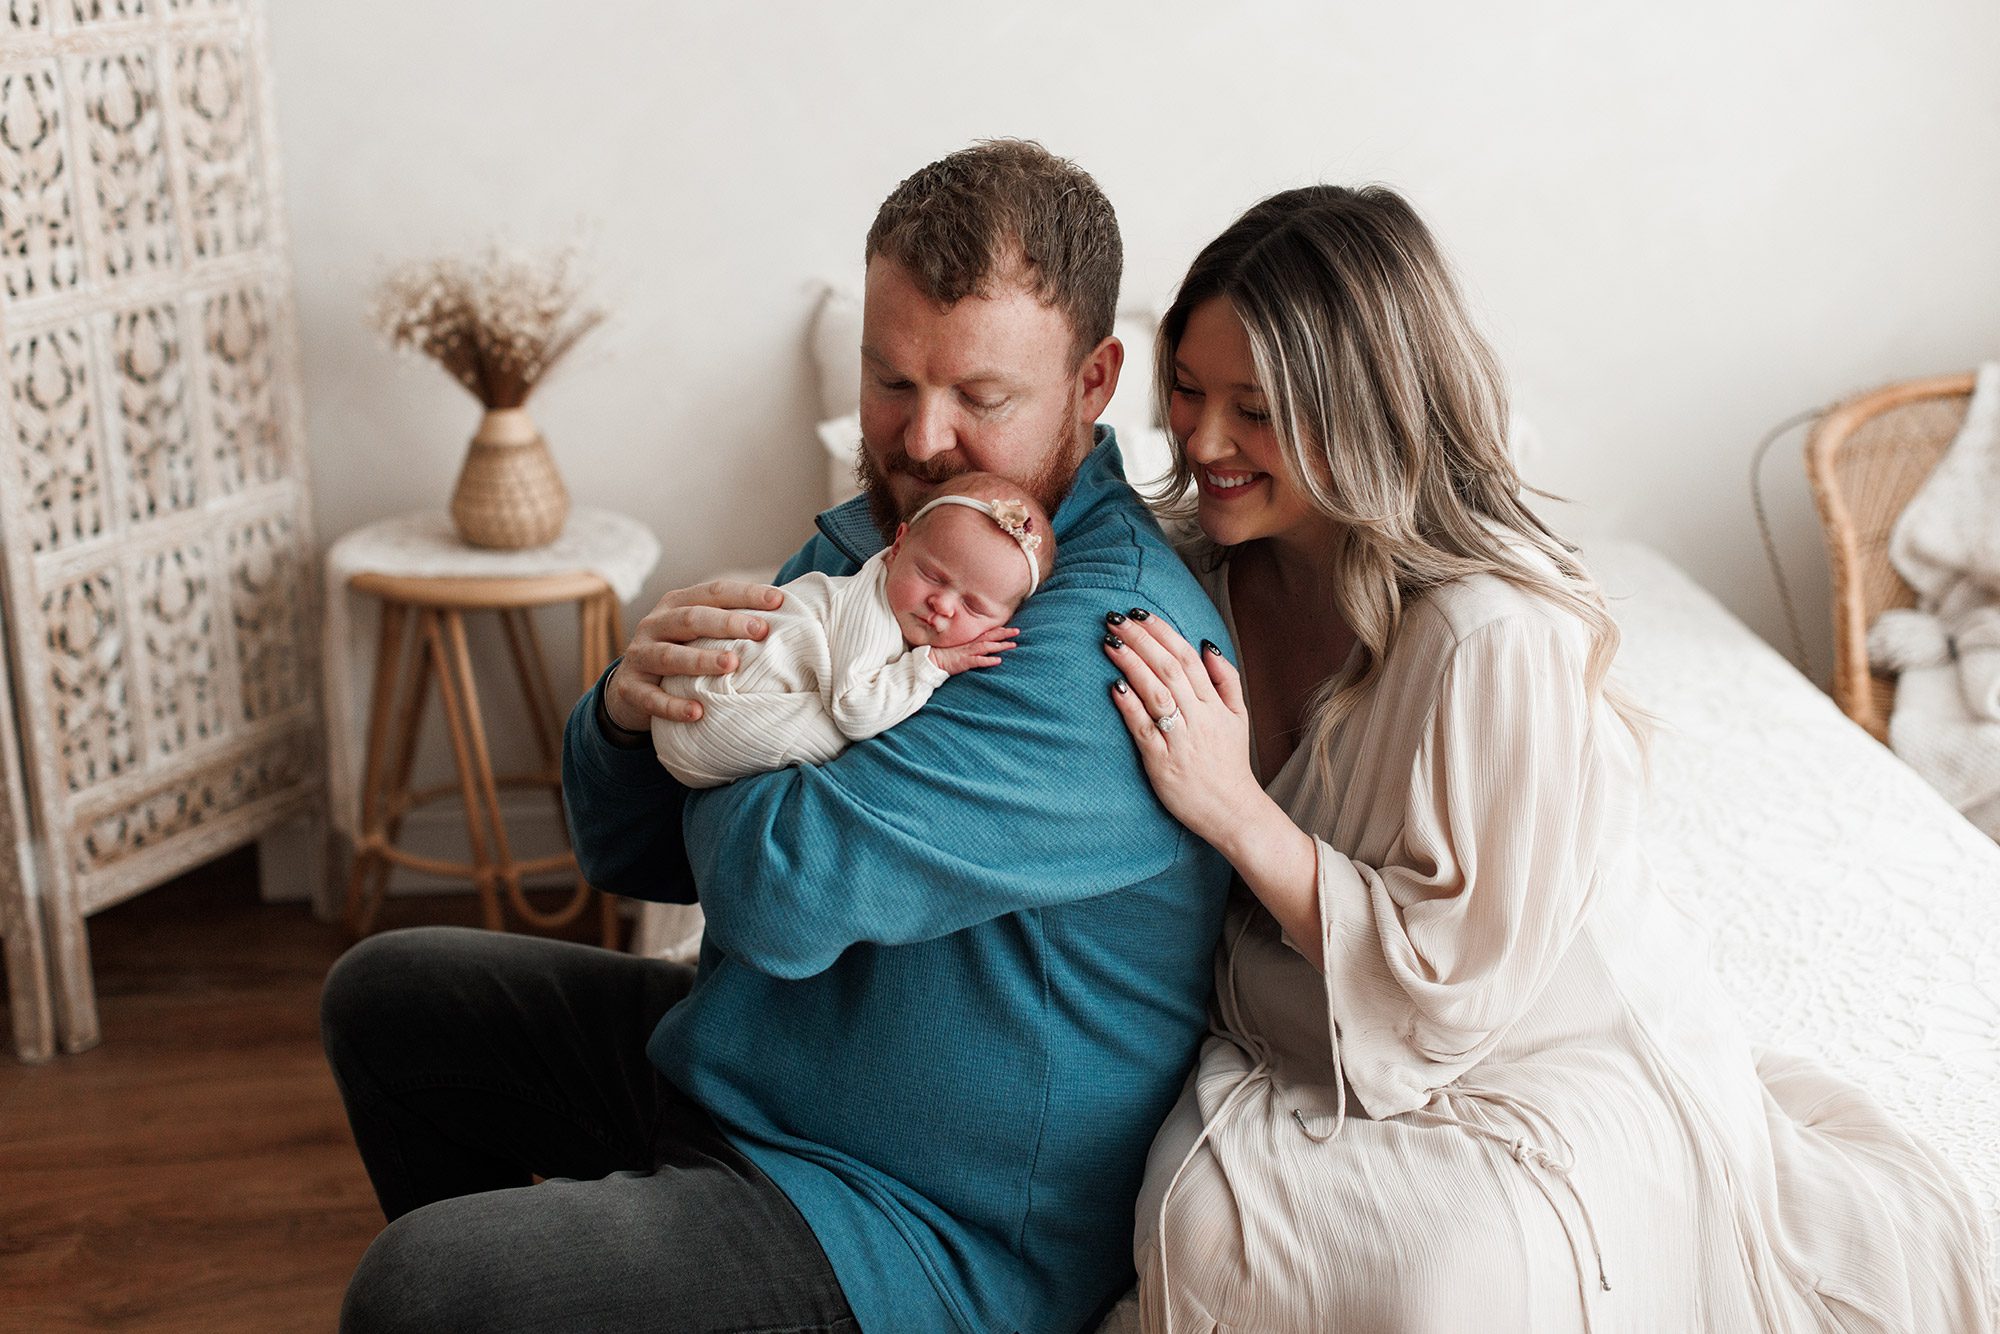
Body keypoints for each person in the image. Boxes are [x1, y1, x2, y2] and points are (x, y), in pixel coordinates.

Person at [321, 139, 1235, 1334]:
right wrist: (626, 707)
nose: (918, 439)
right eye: (890, 380)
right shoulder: (888, 531)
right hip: (747, 1077)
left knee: (423, 1286)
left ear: (1095, 378)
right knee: (390, 998)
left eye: (980, 396)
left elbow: (771, 895)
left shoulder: (1102, 645)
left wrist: (728, 733)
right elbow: (620, 851)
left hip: (906, 1220)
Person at [1103, 185, 1995, 1332]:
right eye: (1184, 389)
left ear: (1369, 409)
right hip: (1299, 1016)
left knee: (1449, 1284)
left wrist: (1235, 810)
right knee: (1199, 1226)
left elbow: (1452, 991)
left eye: (1256, 408)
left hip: (1518, 1035)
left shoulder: (1489, 635)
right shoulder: (1197, 574)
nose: (1203, 441)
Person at [650, 472, 1050, 789]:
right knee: (853, 736)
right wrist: (933, 664)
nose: (942, 606)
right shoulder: (869, 611)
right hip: (704, 719)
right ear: (897, 547)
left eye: (973, 606)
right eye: (931, 575)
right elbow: (856, 713)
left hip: (705, 706)